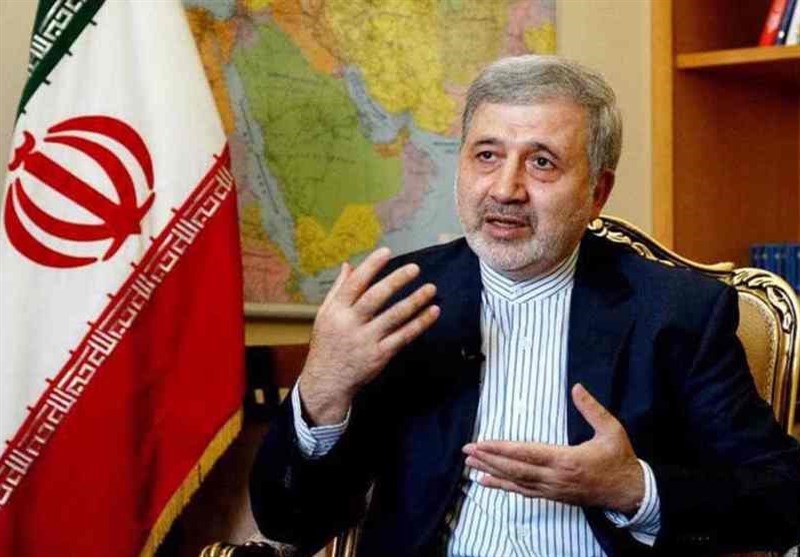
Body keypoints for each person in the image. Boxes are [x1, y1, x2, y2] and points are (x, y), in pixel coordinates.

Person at [249, 55, 800, 556]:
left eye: (542, 162)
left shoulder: (676, 311)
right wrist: (322, 387)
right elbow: (291, 523)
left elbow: (782, 494)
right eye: (487, 156)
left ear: (597, 193)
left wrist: (634, 488)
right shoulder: (400, 299)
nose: (506, 189)